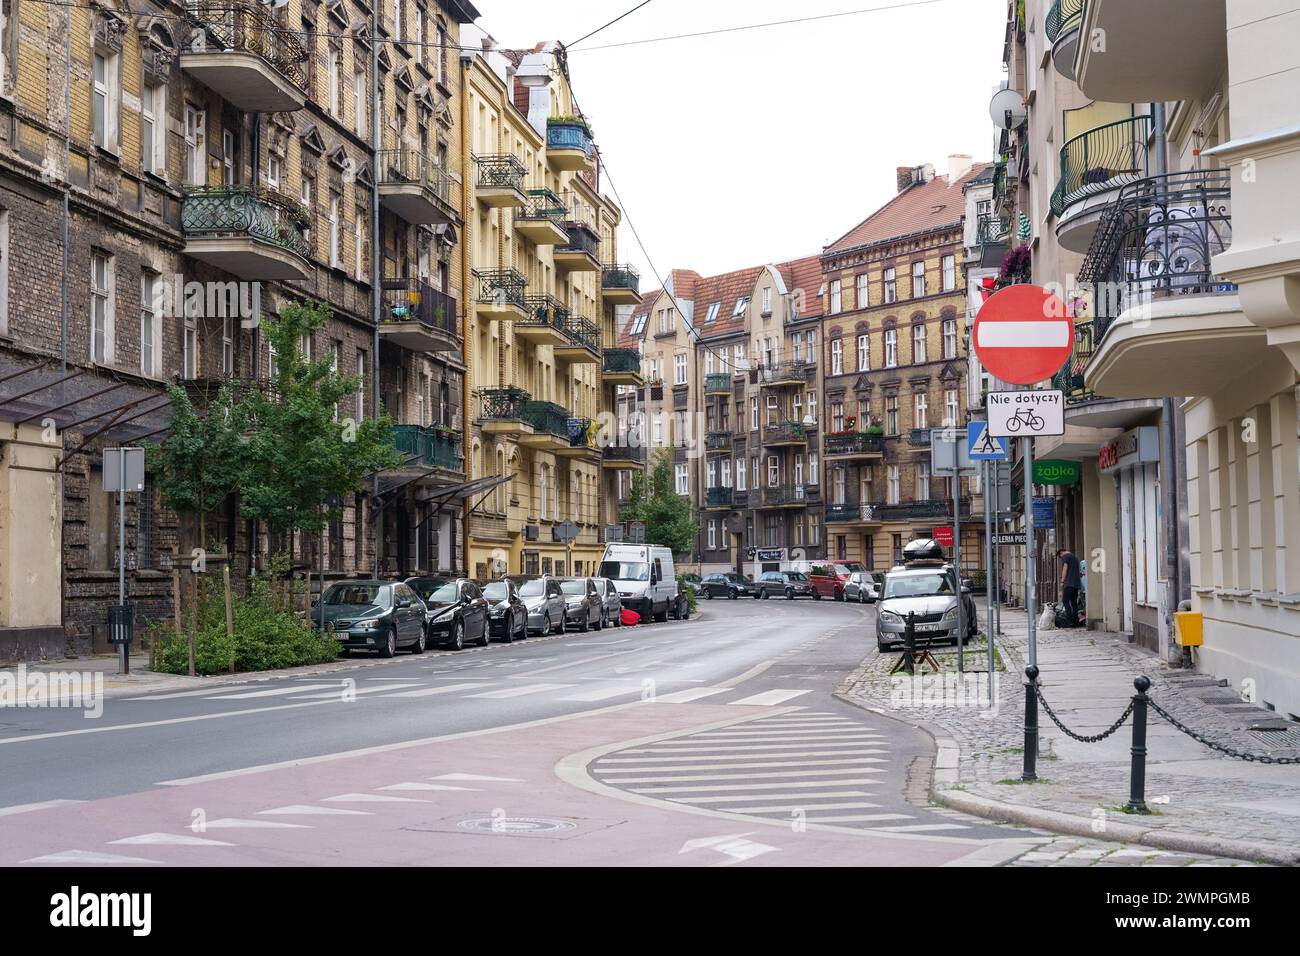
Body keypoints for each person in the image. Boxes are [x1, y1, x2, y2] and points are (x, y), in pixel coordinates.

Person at [1058, 549, 1081, 628]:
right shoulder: (1075, 558)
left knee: (1065, 601)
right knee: (1074, 602)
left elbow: (1065, 569)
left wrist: (1062, 581)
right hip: (1076, 584)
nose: (1061, 558)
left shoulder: (1065, 557)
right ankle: (1076, 620)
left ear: (1061, 553)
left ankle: (1069, 620)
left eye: (1060, 557)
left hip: (1068, 583)